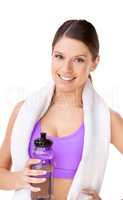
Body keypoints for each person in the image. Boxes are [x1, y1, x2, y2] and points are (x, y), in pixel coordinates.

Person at [0, 19, 123, 200]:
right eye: (59, 56)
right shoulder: (23, 112)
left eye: (78, 60)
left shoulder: (106, 119)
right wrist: (19, 178)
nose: (66, 68)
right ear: (51, 55)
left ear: (95, 63)